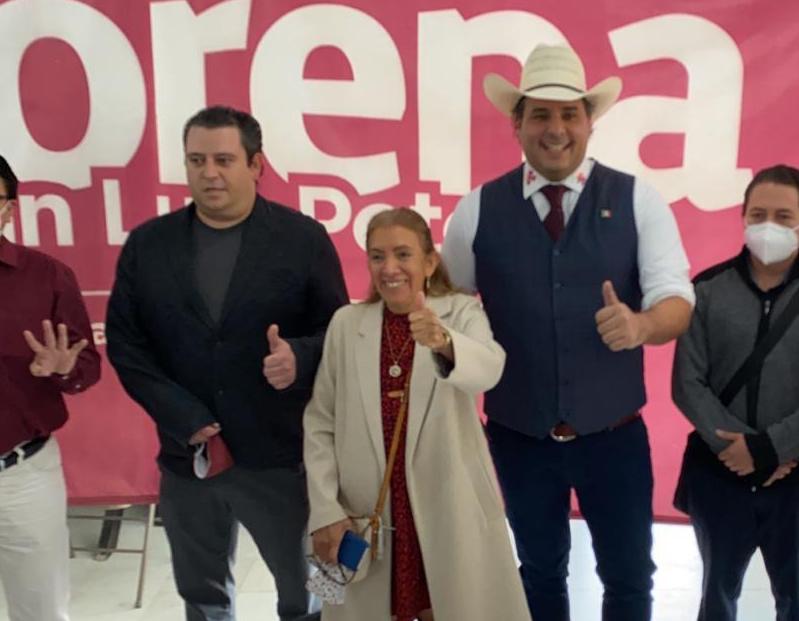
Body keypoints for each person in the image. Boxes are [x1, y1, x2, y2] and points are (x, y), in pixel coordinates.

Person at [442, 44, 695, 621]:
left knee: (629, 577)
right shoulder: (476, 209)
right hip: (518, 435)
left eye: (569, 114)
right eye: (540, 114)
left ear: (589, 121)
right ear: (517, 124)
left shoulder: (638, 200)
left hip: (614, 438)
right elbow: (450, 314)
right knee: (537, 571)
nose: (555, 129)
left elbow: (677, 301)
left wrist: (641, 324)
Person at [105, 106, 348, 621]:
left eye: (223, 159)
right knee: (202, 597)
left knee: (311, 594)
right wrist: (183, 416)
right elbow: (126, 345)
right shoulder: (148, 244)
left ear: (256, 165)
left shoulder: (303, 238)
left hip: (282, 455)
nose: (209, 173)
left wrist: (300, 357)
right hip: (188, 457)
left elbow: (339, 331)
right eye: (196, 160)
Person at [303, 208, 530, 621]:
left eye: (403, 254)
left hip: (447, 503)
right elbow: (320, 422)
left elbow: (489, 370)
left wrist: (443, 342)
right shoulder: (347, 324)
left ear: (429, 262)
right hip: (366, 508)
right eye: (377, 256)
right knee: (372, 606)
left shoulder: (460, 312)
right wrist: (325, 509)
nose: (389, 268)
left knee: (449, 604)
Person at [672, 164, 799, 621]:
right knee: (716, 595)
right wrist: (737, 448)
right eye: (758, 214)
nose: (769, 226)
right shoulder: (705, 291)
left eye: (784, 217)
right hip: (719, 474)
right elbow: (687, 384)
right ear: (742, 216)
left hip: (793, 478)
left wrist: (770, 449)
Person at [0, 155, 101, 621]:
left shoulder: (46, 276)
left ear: (9, 209)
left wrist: (64, 368)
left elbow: (87, 366)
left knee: (41, 610)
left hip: (20, 474)